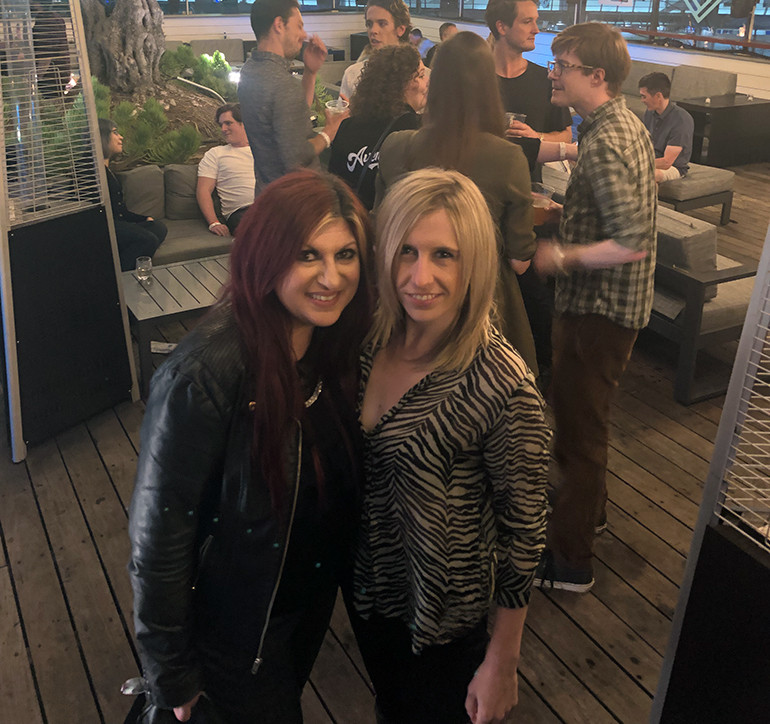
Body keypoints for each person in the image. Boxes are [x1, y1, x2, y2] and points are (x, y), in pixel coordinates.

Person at [128, 170, 373, 724]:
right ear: (266, 256)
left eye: (346, 255)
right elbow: (158, 540)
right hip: (231, 633)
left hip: (300, 607)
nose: (331, 276)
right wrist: (171, 673)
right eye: (308, 255)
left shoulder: (333, 347)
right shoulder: (204, 374)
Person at [350, 168, 549, 724]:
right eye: (406, 251)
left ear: (475, 262)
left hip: (444, 623)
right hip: (368, 594)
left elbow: (524, 533)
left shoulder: (500, 383)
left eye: (444, 255)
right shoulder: (369, 339)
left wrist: (503, 660)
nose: (421, 277)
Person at [532, 23, 657, 593]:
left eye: (563, 65)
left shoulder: (604, 142)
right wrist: (570, 215)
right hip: (616, 311)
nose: (553, 73)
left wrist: (561, 255)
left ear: (597, 75)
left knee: (578, 438)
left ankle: (570, 562)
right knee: (589, 425)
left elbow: (631, 239)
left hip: (596, 314)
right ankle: (591, 515)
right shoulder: (623, 124)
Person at [375, 31, 538, 374]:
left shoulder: (396, 146)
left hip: (406, 301)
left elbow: (380, 233)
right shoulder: (508, 158)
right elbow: (520, 261)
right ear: (490, 88)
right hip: (482, 310)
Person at [238, 0, 346, 193]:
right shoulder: (281, 83)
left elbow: (290, 119)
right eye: (299, 26)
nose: (304, 35)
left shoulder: (250, 71)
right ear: (279, 25)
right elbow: (296, 157)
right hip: (296, 199)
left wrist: (310, 73)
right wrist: (329, 132)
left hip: (267, 194)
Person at [485, 0, 572, 177]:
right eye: (527, 22)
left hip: (527, 188)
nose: (536, 30)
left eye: (536, 21)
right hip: (476, 187)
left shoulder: (546, 80)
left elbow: (566, 135)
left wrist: (536, 137)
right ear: (502, 27)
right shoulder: (475, 78)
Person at [329, 45, 427, 210]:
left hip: (348, 220)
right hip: (387, 222)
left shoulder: (346, 127)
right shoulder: (416, 132)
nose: (427, 82)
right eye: (422, 75)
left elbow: (333, 187)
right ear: (406, 83)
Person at [99, 119, 167, 272]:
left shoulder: (108, 170)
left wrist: (144, 219)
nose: (121, 137)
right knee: (148, 240)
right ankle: (121, 276)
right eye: (115, 132)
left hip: (118, 224)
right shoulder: (92, 173)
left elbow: (120, 212)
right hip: (103, 228)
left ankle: (123, 255)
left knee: (158, 227)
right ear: (102, 136)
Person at [196, 103, 256, 237]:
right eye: (221, 125)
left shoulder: (262, 150)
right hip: (241, 212)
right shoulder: (216, 154)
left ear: (244, 123)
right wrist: (214, 223)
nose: (223, 129)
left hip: (272, 207)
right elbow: (203, 190)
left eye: (228, 123)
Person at [340, 0, 411, 101]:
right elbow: (341, 110)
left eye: (382, 24)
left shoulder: (418, 76)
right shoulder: (353, 74)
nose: (373, 31)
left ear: (400, 30)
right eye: (369, 24)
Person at [638, 71, 694, 183]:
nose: (642, 100)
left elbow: (666, 162)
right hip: (651, 160)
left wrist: (638, 165)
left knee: (648, 175)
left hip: (674, 167)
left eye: (644, 96)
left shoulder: (681, 120)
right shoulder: (649, 113)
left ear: (658, 96)